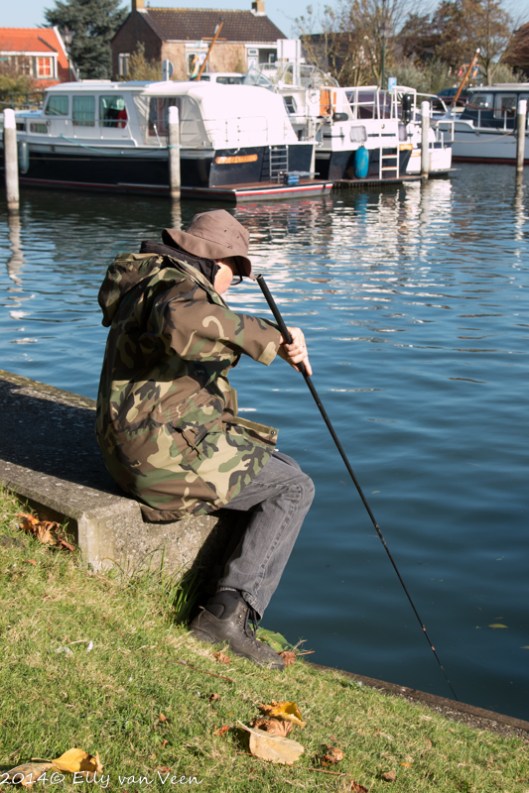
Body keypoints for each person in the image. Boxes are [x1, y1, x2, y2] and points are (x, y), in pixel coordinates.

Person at [96, 209, 314, 670]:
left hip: (133, 446)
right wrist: (275, 337)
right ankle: (225, 617)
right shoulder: (178, 289)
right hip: (157, 462)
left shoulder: (149, 277)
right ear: (216, 261)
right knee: (295, 488)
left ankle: (223, 597)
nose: (230, 288)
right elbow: (183, 323)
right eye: (235, 275)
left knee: (283, 468)